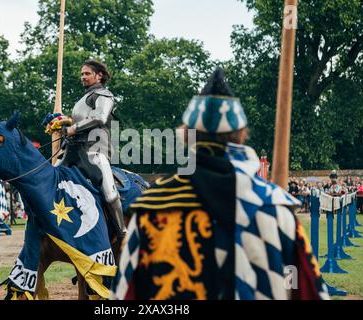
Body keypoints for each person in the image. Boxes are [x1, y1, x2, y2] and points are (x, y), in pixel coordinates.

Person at [111, 68, 328, 300]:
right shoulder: (276, 208)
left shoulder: (151, 211)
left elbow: (125, 295)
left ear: (185, 134)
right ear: (241, 134)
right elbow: (307, 290)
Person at [43, 59, 125, 238]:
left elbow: (99, 118)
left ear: (99, 75)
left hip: (95, 150)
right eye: (82, 74)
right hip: (73, 151)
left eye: (87, 73)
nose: (83, 77)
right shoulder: (82, 100)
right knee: (50, 177)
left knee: (110, 193)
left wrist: (72, 128)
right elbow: (79, 121)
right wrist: (61, 121)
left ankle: (122, 231)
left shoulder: (104, 94)